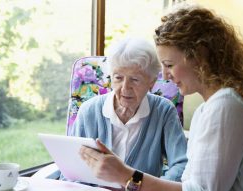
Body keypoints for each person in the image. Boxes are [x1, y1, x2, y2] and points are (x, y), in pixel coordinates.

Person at [79, 5, 243, 191]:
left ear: (199, 58)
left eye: (169, 65)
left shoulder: (227, 106)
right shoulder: (209, 109)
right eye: (118, 77)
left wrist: (125, 175)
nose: (165, 75)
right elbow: (189, 186)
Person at [71, 37, 187, 183]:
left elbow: (181, 164)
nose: (125, 88)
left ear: (151, 82)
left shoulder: (163, 111)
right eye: (118, 78)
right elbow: (72, 169)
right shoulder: (88, 111)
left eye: (135, 79)